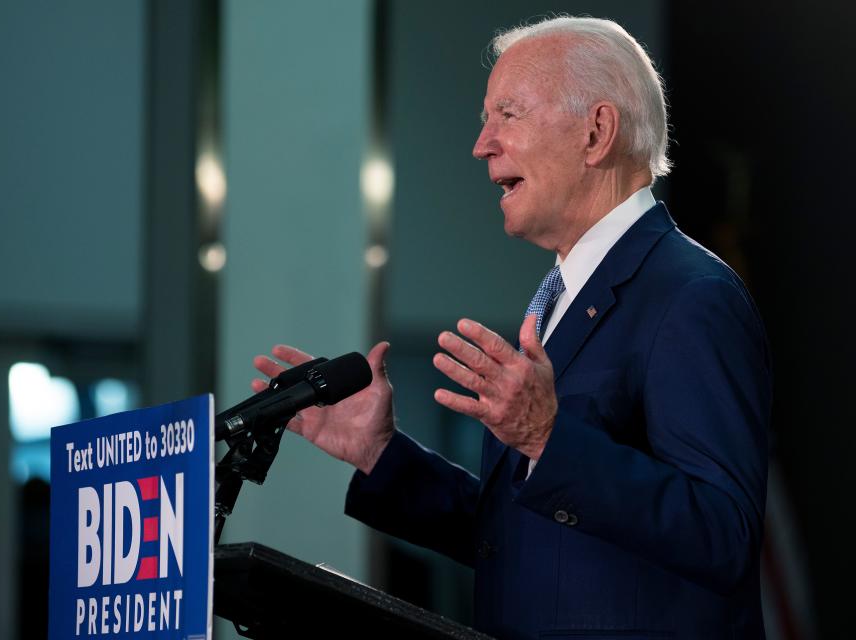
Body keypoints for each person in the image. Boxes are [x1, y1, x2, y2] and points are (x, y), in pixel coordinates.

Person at [252, 16, 770, 640]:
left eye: (507, 114)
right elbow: (531, 538)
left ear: (596, 132)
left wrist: (549, 436)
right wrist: (382, 455)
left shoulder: (691, 295)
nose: (481, 144)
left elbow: (723, 535)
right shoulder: (559, 297)